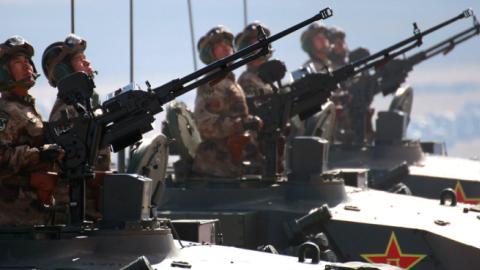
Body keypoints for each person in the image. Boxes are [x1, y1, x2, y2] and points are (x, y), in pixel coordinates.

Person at [0, 36, 63, 225]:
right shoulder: (5, 110)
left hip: (35, 212)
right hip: (13, 216)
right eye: (17, 62)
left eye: (27, 61)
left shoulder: (28, 109)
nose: (26, 65)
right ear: (4, 72)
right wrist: (39, 154)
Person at [192, 26, 263, 178]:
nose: (226, 48)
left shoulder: (230, 82)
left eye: (228, 44)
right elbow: (206, 125)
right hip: (216, 166)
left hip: (233, 162)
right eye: (219, 45)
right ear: (210, 53)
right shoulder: (211, 83)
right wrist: (240, 124)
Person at [42, 34, 110, 171]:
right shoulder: (65, 110)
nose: (87, 63)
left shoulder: (82, 106)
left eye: (84, 58)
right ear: (64, 70)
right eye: (79, 59)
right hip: (76, 190)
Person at [235, 22, 273, 97]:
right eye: (257, 40)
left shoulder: (269, 75)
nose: (263, 43)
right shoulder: (247, 80)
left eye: (263, 39)